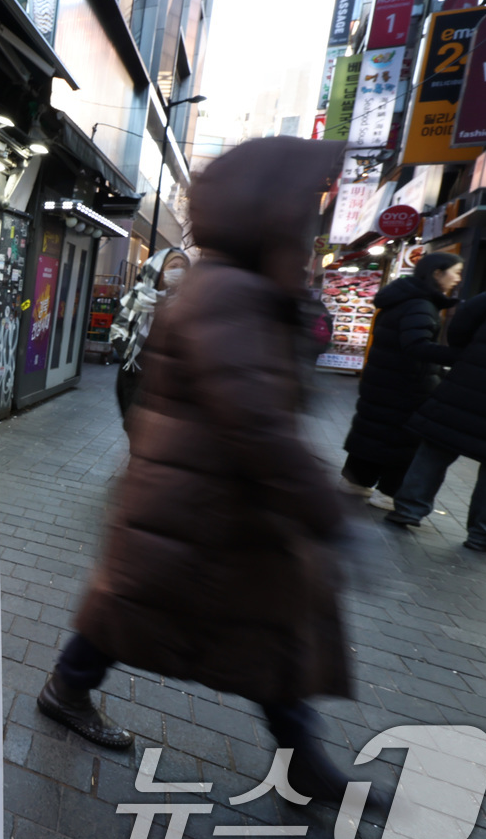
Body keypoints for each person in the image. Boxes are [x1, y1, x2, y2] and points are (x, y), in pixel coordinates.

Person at [36, 137, 360, 801]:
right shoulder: (229, 296)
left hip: (202, 504)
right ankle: (301, 758)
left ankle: (302, 757)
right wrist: (328, 512)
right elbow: (258, 423)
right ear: (269, 212)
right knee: (227, 628)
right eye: (303, 209)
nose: (309, 224)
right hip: (203, 507)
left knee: (193, 621)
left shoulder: (234, 287)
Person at [386, 279, 486, 553]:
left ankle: (408, 509)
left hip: (473, 378)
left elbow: (464, 317)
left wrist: (471, 351)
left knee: (437, 444)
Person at [340, 253, 464, 511]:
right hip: (405, 386)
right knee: (404, 439)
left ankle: (356, 481)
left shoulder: (403, 299)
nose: (458, 278)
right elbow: (416, 346)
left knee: (374, 430)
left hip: (385, 381)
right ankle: (388, 492)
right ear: (437, 273)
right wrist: (458, 355)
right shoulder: (420, 304)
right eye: (456, 271)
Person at [109, 247, 190, 416]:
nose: (179, 271)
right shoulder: (137, 298)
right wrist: (133, 358)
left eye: (183, 267)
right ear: (159, 270)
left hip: (171, 389)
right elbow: (118, 331)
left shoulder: (188, 304)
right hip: (135, 382)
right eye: (173, 266)